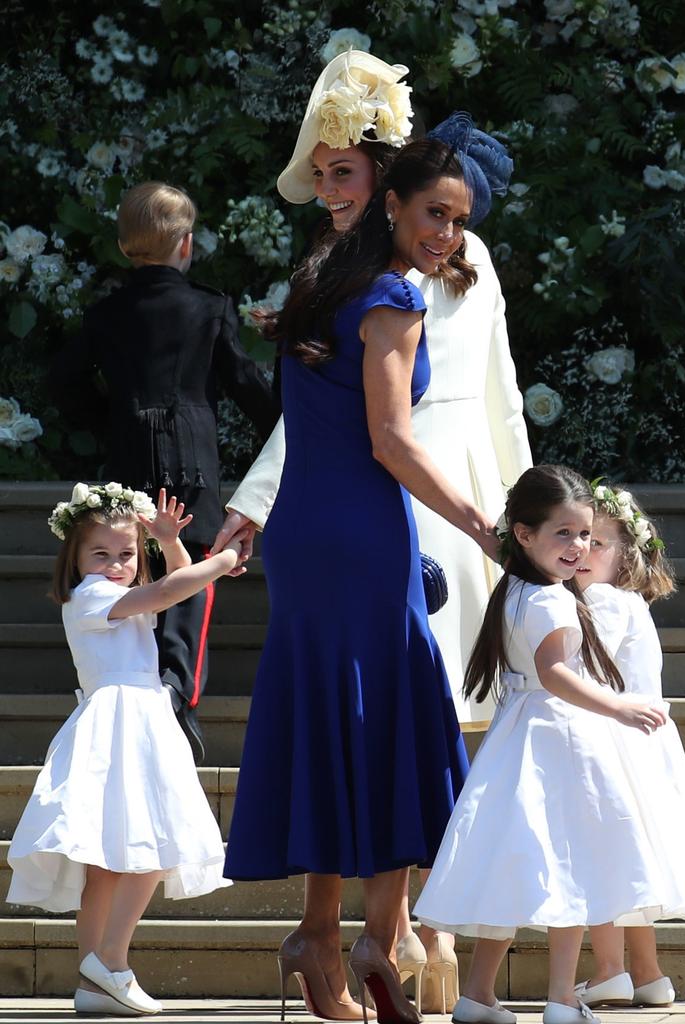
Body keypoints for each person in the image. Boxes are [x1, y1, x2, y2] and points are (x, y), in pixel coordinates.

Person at [214, 50, 531, 1013]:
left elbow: (332, 419)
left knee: (333, 714)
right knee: (392, 720)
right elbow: (392, 440)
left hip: (315, 529)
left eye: (458, 219)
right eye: (435, 212)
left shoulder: (321, 278)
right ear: (395, 202)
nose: (447, 232)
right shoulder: (391, 296)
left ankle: (323, 934)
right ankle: (376, 945)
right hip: (369, 521)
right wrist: (488, 526)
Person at [412, 464, 685, 1024]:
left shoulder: (518, 586)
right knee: (571, 865)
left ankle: (477, 995)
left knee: (515, 863)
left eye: (587, 536)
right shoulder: (553, 598)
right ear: (523, 535)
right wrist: (618, 703)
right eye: (563, 534)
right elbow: (555, 673)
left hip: (520, 735)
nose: (579, 548)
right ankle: (563, 997)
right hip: (562, 735)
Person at [50, 181, 279, 763]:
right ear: (185, 243)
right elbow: (248, 387)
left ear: (127, 245)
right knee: (191, 579)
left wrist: (108, 419)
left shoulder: (105, 312)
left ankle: (144, 686)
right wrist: (287, 424)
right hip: (193, 463)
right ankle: (177, 689)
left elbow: (64, 384)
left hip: (128, 461)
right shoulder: (208, 306)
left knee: (133, 572)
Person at [6, 483, 245, 1017]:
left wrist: (168, 542)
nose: (115, 564)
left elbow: (177, 588)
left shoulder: (121, 595)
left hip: (137, 718)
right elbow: (167, 593)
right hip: (122, 720)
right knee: (152, 844)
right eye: (101, 554)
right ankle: (111, 959)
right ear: (77, 558)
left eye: (127, 555)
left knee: (110, 866)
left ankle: (94, 983)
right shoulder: (91, 596)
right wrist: (224, 558)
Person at [571, 482, 685, 1010]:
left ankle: (611, 968)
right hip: (644, 746)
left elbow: (581, 672)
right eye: (580, 538)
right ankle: (649, 973)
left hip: (614, 742)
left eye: (599, 543)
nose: (584, 551)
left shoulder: (601, 601)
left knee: (606, 859)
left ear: (625, 556)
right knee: (633, 864)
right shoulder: (628, 602)